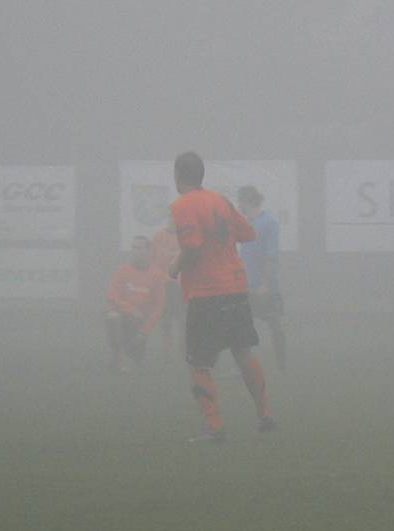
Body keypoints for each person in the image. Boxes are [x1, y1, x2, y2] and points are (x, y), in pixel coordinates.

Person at [169, 152, 275, 442]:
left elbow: (191, 245)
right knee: (243, 351)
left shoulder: (182, 205)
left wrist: (174, 268)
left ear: (178, 175)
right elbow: (248, 233)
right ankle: (265, 414)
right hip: (236, 287)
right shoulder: (220, 200)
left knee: (199, 362)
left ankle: (214, 427)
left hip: (207, 292)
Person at [237, 185, 287, 371]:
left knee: (274, 323)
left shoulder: (269, 223)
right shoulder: (244, 222)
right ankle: (244, 366)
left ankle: (282, 364)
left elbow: (270, 256)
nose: (238, 205)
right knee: (242, 326)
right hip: (246, 286)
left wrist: (265, 284)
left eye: (240, 201)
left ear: (247, 201)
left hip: (264, 287)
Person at [105, 235, 167, 371]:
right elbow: (112, 295)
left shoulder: (157, 275)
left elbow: (159, 306)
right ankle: (118, 356)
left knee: (137, 360)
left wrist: (144, 332)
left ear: (148, 251)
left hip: (140, 321)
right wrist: (131, 309)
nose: (135, 251)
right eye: (133, 247)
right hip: (126, 313)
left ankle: (132, 354)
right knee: (112, 317)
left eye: (139, 247)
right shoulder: (122, 270)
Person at [151, 217, 184, 354]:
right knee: (166, 318)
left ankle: (183, 345)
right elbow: (152, 260)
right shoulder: (158, 237)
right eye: (171, 217)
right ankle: (167, 348)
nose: (173, 220)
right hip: (164, 284)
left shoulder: (185, 237)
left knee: (183, 317)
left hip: (182, 285)